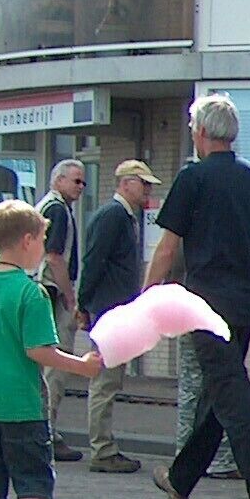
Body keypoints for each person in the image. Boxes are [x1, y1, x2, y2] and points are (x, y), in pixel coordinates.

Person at [148, 94, 250, 499]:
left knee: (232, 396)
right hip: (245, 305)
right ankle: (180, 480)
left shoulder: (192, 179)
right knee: (221, 393)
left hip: (204, 305)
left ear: (200, 132)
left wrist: (146, 297)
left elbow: (167, 247)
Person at [0, 199, 104, 499]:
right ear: (27, 241)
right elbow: (38, 350)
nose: (44, 246)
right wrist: (82, 366)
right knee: (32, 474)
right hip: (22, 403)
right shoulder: (32, 293)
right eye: (43, 239)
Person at [75, 160, 158, 474]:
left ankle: (104, 445)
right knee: (105, 381)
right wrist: (83, 303)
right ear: (126, 183)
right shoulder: (113, 215)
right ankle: (102, 448)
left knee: (109, 380)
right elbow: (94, 261)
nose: (147, 190)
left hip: (116, 308)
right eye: (143, 183)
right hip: (109, 309)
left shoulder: (125, 216)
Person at [36, 159, 87, 462]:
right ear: (58, 181)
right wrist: (70, 297)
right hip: (51, 292)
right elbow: (55, 258)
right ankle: (48, 433)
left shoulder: (49, 206)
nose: (81, 187)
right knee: (56, 363)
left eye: (83, 182)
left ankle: (45, 430)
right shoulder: (57, 209)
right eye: (76, 181)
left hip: (40, 290)